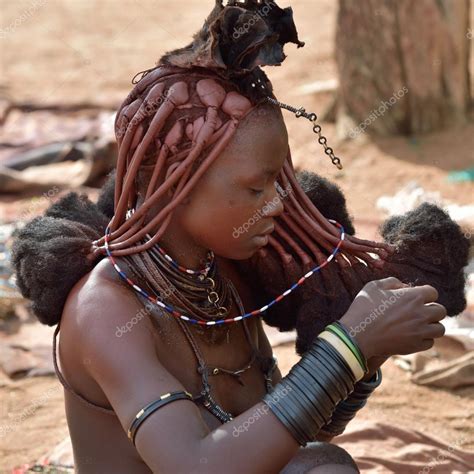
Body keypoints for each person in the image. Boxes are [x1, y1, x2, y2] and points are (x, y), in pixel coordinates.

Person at [12, 1, 450, 472]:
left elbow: (285, 434)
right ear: (176, 187)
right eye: (256, 188)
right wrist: (347, 347)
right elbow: (198, 466)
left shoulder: (220, 276)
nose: (279, 203)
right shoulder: (107, 310)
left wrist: (366, 356)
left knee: (322, 464)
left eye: (282, 181)